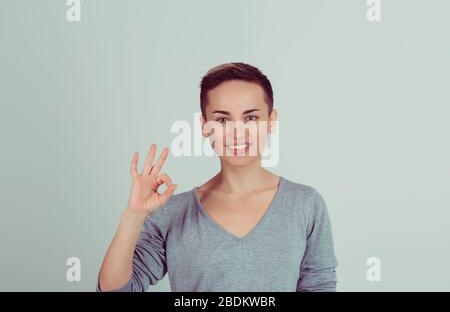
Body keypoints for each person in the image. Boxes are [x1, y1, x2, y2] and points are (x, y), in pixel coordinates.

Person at [97, 62, 338, 292]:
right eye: (222, 120)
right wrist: (134, 216)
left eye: (251, 117)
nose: (237, 132)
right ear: (204, 126)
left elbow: (319, 285)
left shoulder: (306, 205)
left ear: (271, 121)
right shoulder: (173, 213)